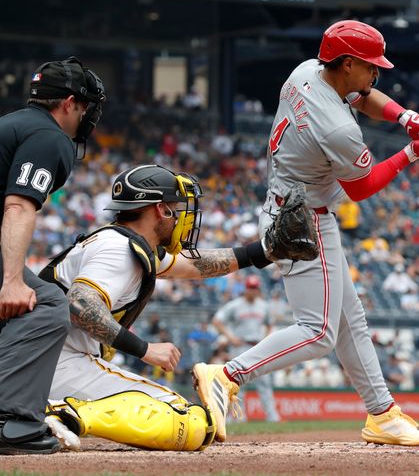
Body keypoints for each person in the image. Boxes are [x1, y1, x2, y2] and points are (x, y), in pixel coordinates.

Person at [192, 19, 419, 446]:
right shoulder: (338, 128)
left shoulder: (307, 70)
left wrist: (404, 116)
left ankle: (382, 413)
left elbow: (362, 97)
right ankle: (227, 374)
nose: (376, 73)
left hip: (291, 205)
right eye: (369, 65)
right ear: (345, 63)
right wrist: (410, 153)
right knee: (318, 331)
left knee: (349, 321)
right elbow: (360, 189)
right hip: (304, 219)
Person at [41, 165, 278, 452]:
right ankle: (61, 414)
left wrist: (264, 251)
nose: (180, 218)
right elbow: (79, 305)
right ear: (159, 209)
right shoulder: (119, 249)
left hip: (46, 358)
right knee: (188, 420)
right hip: (58, 360)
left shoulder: (123, 241)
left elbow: (195, 265)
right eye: (175, 209)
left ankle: (53, 412)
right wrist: (145, 350)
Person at [0, 57, 105, 455]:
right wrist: (11, 281)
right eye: (86, 106)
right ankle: (10, 423)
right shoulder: (50, 137)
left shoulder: (14, 124)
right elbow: (18, 207)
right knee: (44, 305)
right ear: (68, 103)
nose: (87, 116)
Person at [212, 275, 281, 423]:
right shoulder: (235, 305)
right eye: (250, 288)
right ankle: (237, 418)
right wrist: (230, 338)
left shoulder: (263, 305)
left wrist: (266, 339)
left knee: (265, 384)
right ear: (246, 288)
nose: (253, 291)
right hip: (240, 347)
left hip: (257, 347)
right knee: (237, 385)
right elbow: (217, 320)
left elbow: (270, 323)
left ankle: (272, 417)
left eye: (255, 288)